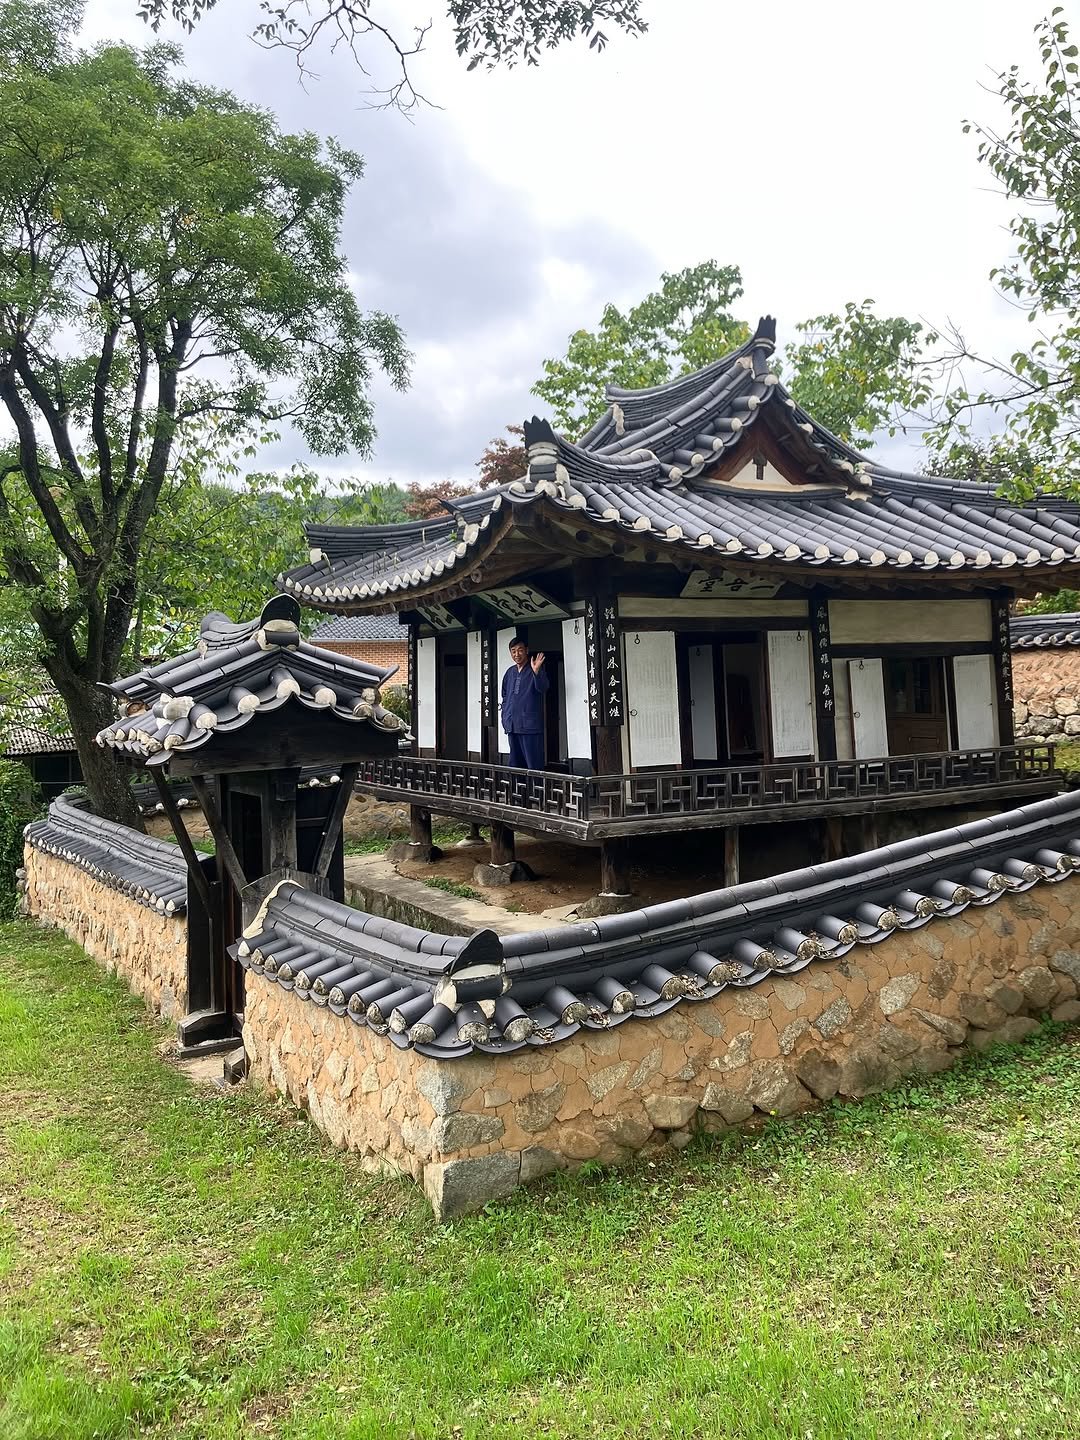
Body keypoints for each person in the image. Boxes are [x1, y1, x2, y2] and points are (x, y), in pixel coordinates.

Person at [501, 636, 549, 770]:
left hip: (530, 727)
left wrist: (536, 672)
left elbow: (543, 687)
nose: (517, 654)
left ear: (526, 651)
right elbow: (505, 696)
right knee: (515, 765)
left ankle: (536, 791)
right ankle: (518, 791)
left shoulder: (534, 669)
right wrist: (505, 718)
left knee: (533, 765)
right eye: (513, 651)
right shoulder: (510, 672)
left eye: (520, 650)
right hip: (512, 725)